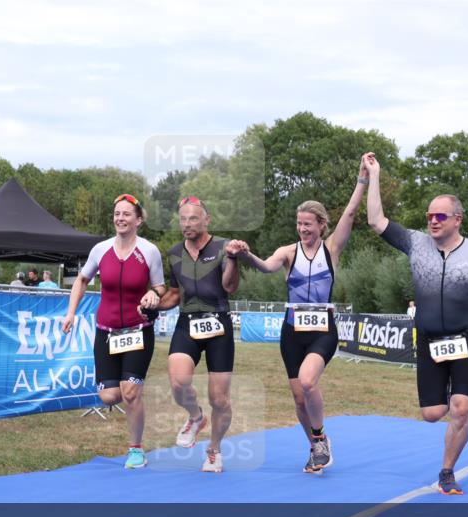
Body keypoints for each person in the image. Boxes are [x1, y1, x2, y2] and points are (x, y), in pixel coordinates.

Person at [363, 152, 468, 495]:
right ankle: (452, 405)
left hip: (466, 339)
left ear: (457, 219)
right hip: (429, 341)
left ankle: (447, 470)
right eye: (429, 215)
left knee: (461, 407)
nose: (432, 221)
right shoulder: (416, 243)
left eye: (439, 215)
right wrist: (374, 176)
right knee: (432, 413)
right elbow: (376, 220)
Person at [236, 162, 367, 474]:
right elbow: (266, 266)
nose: (303, 229)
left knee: (308, 382)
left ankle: (321, 439)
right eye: (299, 224)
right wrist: (245, 254)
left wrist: (363, 178)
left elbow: (349, 214)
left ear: (322, 225)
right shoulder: (288, 253)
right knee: (298, 399)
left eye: (309, 224)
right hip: (292, 330)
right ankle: (314, 449)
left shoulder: (331, 249)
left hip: (323, 329)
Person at [61, 194, 165, 469]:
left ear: (138, 220)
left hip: (138, 330)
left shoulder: (150, 251)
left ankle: (135, 449)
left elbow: (161, 287)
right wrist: (71, 312)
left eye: (127, 214)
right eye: (117, 214)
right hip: (106, 331)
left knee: (131, 392)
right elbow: (82, 280)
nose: (120, 218)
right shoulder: (100, 250)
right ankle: (134, 391)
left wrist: (154, 296)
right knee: (109, 395)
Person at [158, 196, 244, 473]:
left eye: (193, 218)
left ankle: (214, 450)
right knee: (178, 382)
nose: (187, 224)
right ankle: (196, 418)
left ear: (206, 220)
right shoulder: (173, 253)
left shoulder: (222, 247)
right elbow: (174, 293)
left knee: (219, 399)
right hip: (187, 321)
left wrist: (232, 260)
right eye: (183, 219)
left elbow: (229, 287)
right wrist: (153, 303)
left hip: (218, 322)